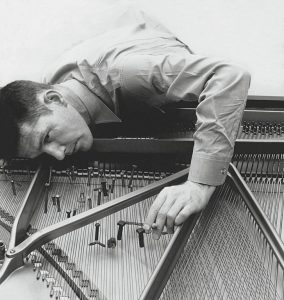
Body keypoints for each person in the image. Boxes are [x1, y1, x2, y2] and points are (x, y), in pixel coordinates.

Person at [0, 8, 250, 240]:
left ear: (54, 98)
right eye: (41, 151)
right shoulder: (51, 87)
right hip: (113, 34)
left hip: (144, 47)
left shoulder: (130, 75)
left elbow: (230, 75)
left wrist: (198, 185)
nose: (57, 155)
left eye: (47, 138)